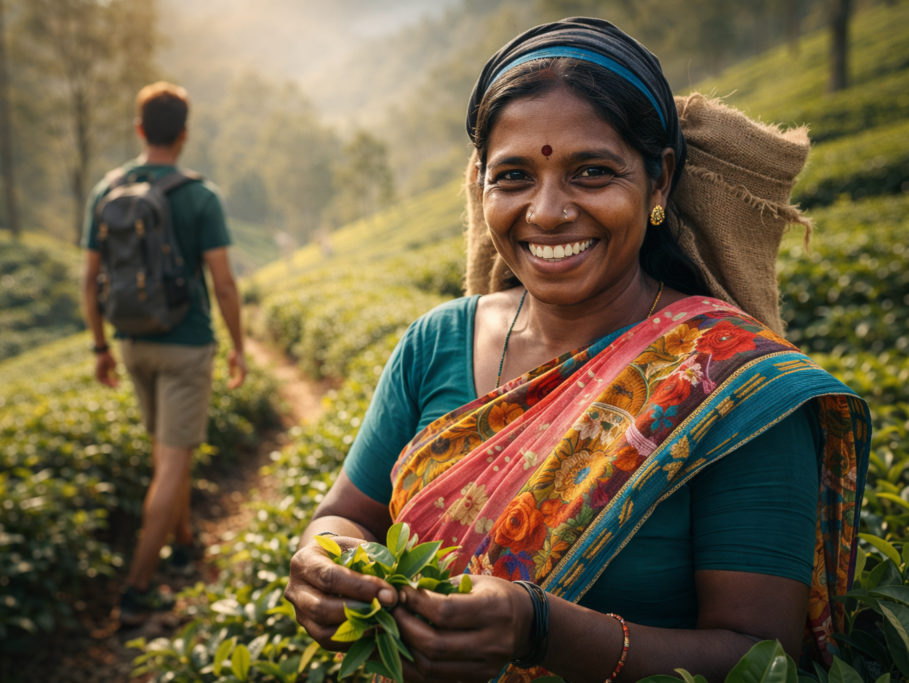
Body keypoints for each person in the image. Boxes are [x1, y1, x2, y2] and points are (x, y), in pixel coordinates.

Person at [284, 19, 871, 683]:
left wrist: (539, 629)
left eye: (591, 172)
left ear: (659, 182)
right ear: (482, 188)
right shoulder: (435, 342)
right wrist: (325, 562)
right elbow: (343, 515)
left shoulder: (729, 386)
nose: (548, 211)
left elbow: (764, 660)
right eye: (513, 176)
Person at [81, 81, 247, 626]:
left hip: (131, 343)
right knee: (173, 464)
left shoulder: (107, 190)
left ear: (139, 130)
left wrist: (101, 347)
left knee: (164, 452)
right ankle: (136, 591)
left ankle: (182, 539)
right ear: (183, 134)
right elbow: (223, 284)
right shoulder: (199, 196)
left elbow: (90, 280)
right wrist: (239, 347)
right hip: (185, 345)